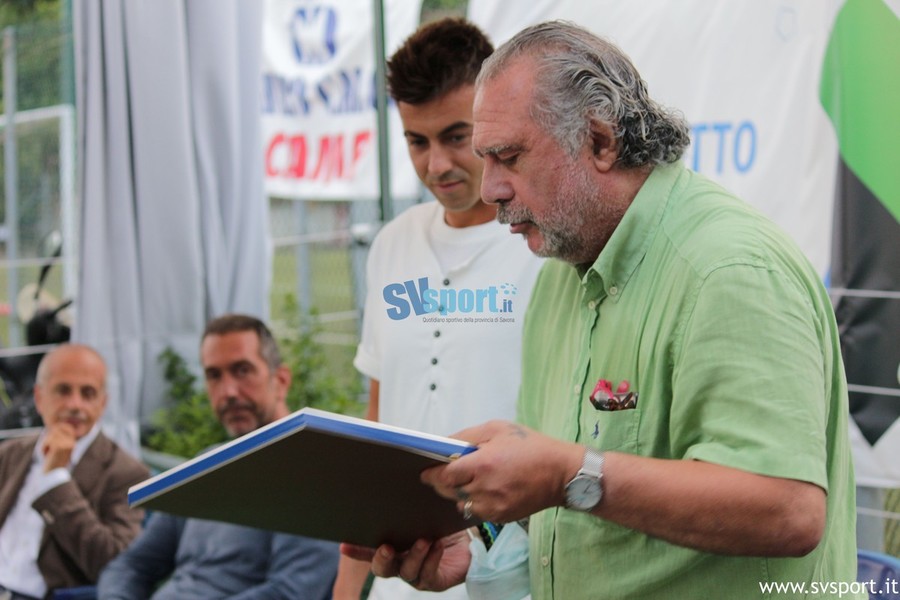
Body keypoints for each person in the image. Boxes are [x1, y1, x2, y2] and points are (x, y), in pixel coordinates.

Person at [345, 20, 861, 599]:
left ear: (599, 141)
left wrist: (568, 475)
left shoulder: (728, 270)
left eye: (509, 157)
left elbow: (788, 510)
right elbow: (565, 506)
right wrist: (480, 540)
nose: (491, 190)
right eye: (486, 160)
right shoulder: (559, 276)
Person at [333, 17, 544, 600]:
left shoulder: (545, 245)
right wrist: (349, 588)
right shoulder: (392, 244)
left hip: (512, 581)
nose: (437, 165)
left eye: (457, 137)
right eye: (417, 142)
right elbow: (378, 423)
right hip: (397, 578)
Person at [98, 314, 339, 599]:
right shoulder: (207, 465)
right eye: (214, 376)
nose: (228, 392)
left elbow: (291, 593)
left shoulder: (312, 476)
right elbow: (131, 565)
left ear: (281, 380)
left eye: (242, 370)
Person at [0, 344, 149, 599]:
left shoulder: (126, 473)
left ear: (102, 403)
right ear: (39, 398)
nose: (75, 404)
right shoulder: (11, 454)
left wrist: (56, 479)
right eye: (63, 390)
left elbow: (114, 564)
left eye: (88, 393)